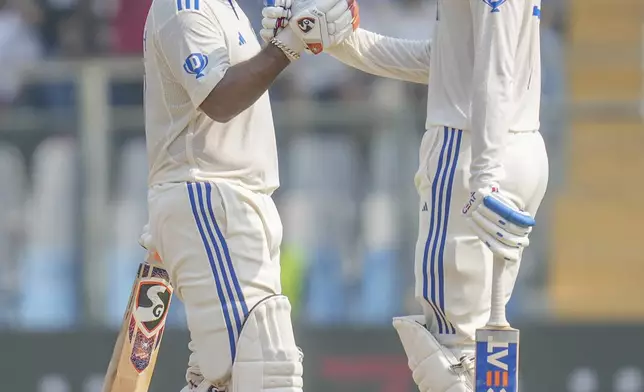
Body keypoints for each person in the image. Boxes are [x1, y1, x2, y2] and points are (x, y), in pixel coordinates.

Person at [262, 0, 548, 390]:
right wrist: (340, 43)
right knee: (480, 346)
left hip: (469, 144)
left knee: (451, 348)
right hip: (519, 146)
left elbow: (494, 70)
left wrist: (486, 173)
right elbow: (448, 61)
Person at [140, 0, 359, 390]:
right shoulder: (183, 7)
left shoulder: (227, 6)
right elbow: (219, 99)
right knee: (263, 369)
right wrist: (286, 48)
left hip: (235, 201)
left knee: (226, 376)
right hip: (208, 196)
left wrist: (279, 43)